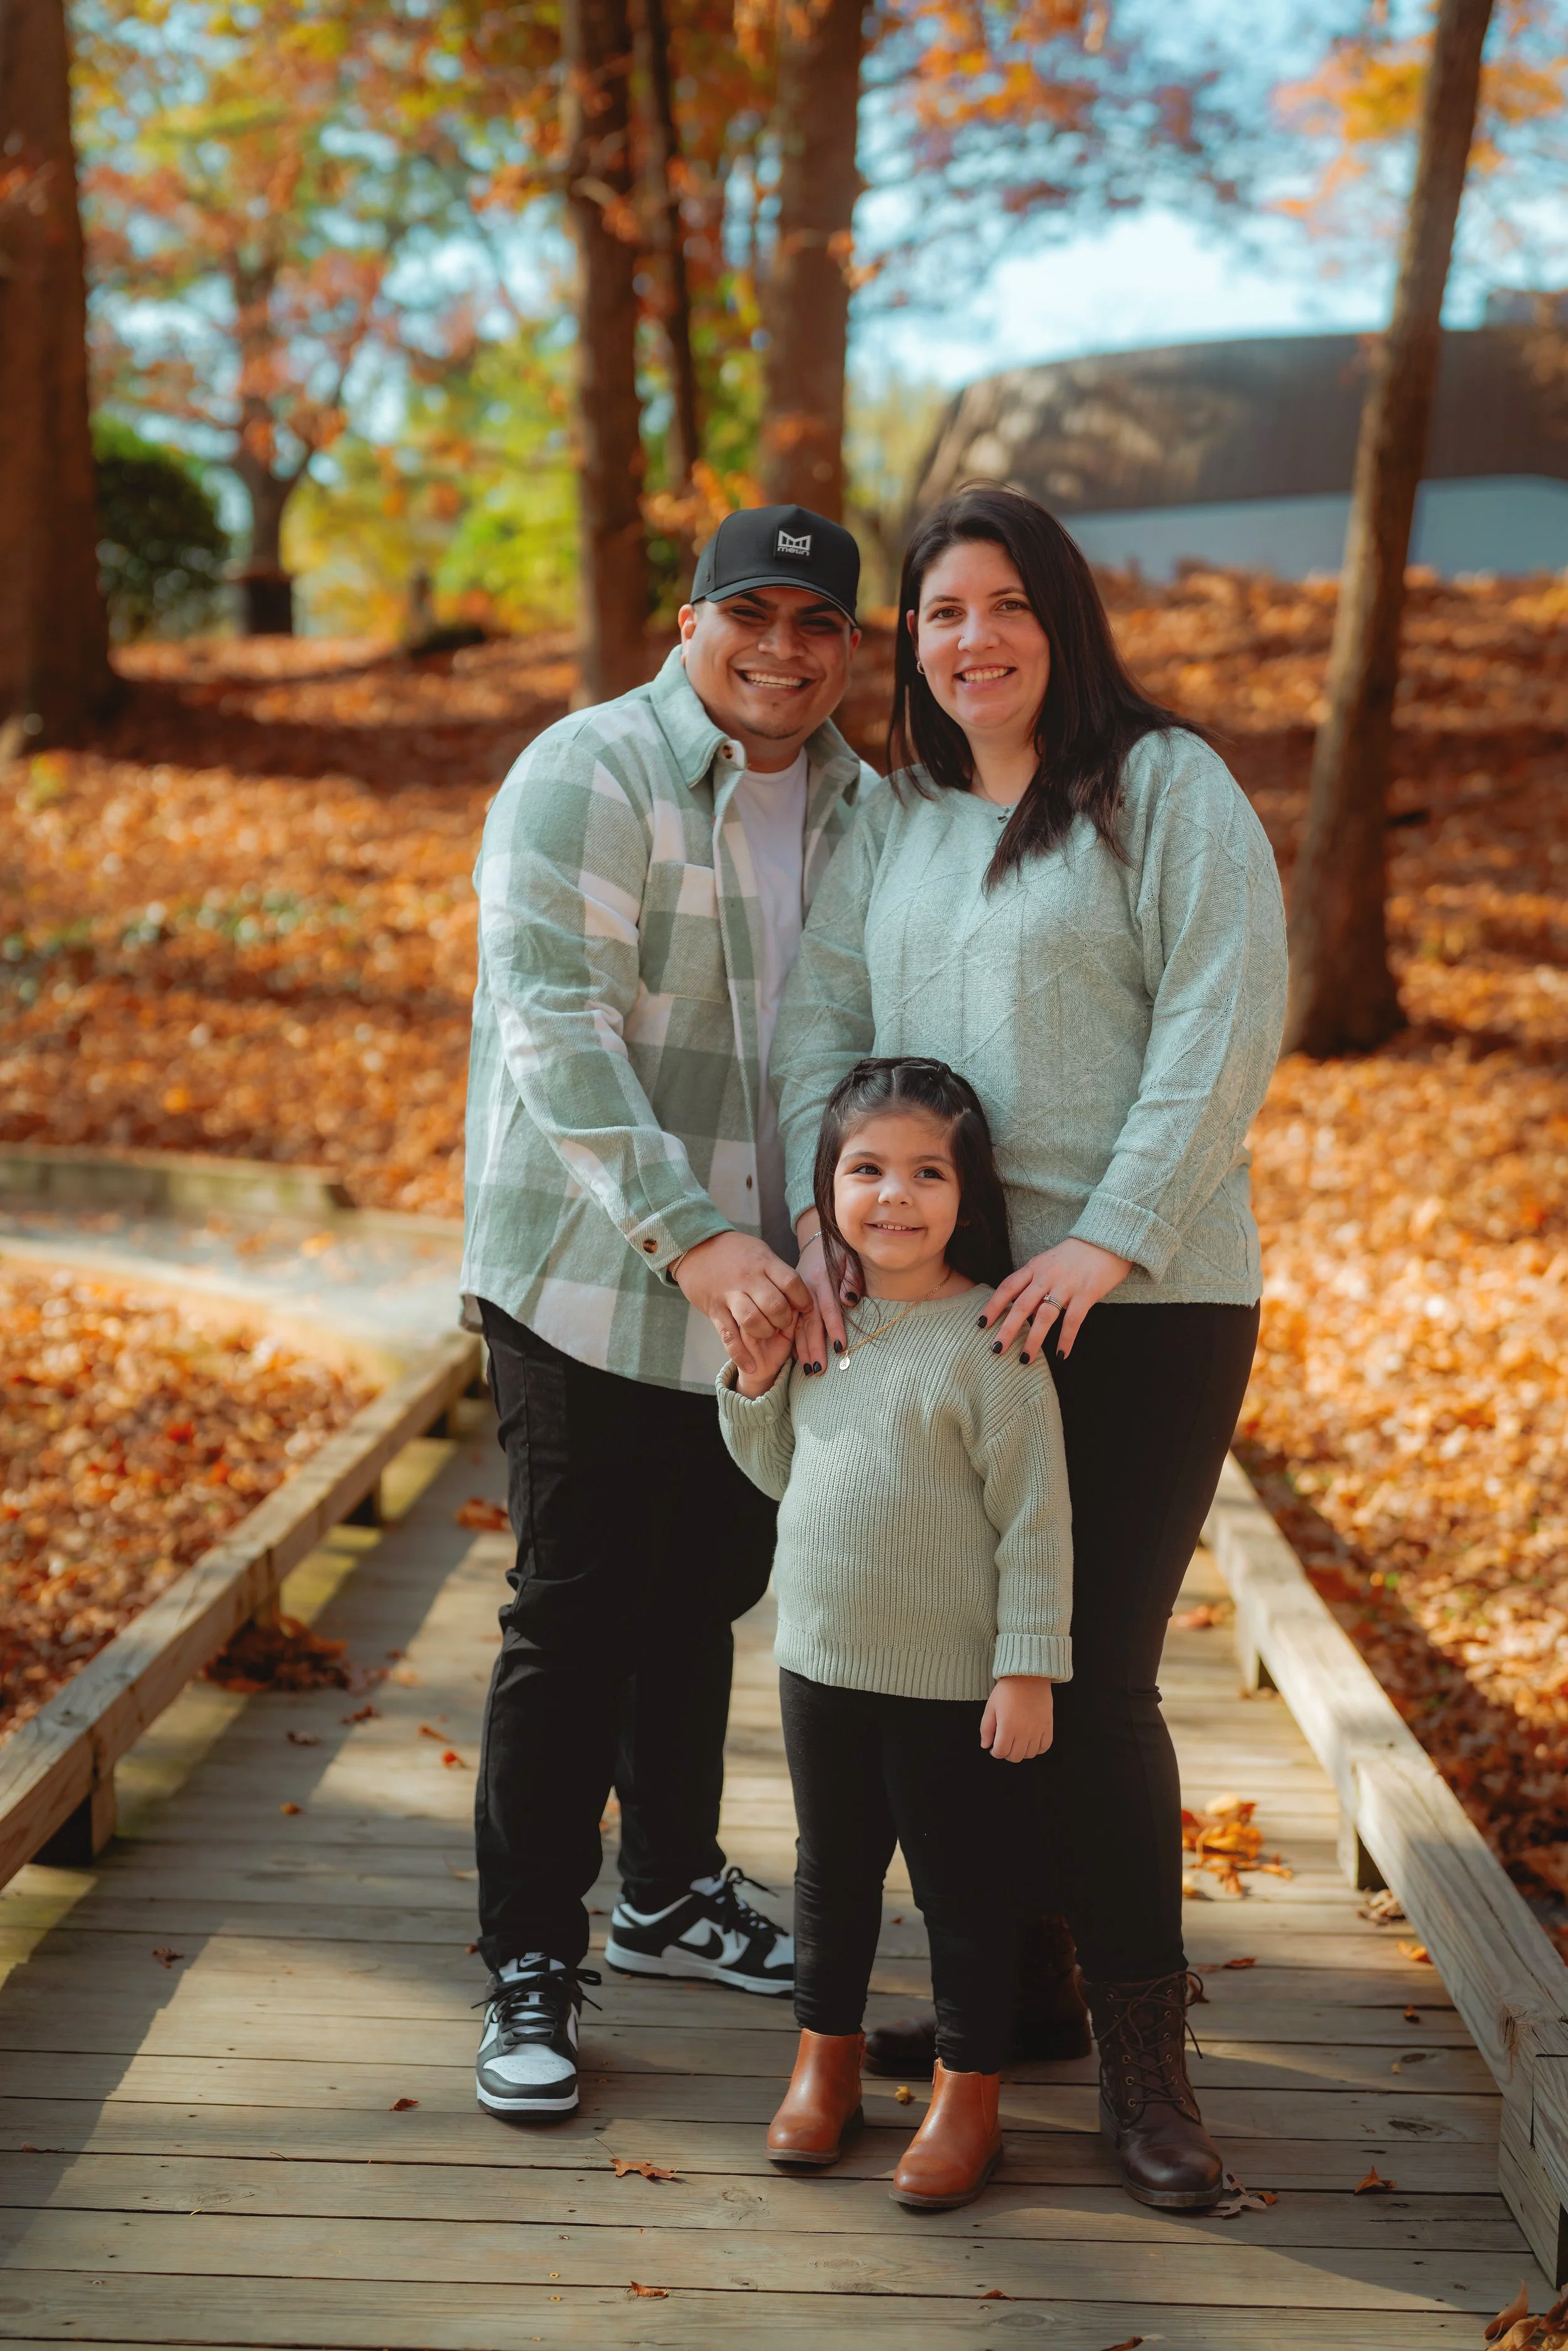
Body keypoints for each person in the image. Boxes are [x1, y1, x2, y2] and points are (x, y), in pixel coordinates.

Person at [773, 483, 1288, 2210]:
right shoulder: (897, 820)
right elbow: (825, 1036)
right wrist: (817, 1219)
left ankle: (1147, 2066)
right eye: (936, 613)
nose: (969, 637)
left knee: (1089, 1674)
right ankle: (1022, 1998)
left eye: (1001, 603)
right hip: (944, 1314)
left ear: (1058, 621)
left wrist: (1107, 1229)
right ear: (908, 644)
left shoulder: (1164, 788)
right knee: (950, 1679)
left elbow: (1221, 1022)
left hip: (1141, 1294)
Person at [461, 503, 878, 2121]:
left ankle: (670, 1887)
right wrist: (692, 1235)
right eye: (750, 613)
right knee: (573, 1609)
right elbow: (551, 1024)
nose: (781, 649)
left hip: (770, 1286)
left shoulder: (861, 799)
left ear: (847, 645)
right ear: (690, 618)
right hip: (591, 1262)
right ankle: (526, 1959)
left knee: (705, 1588)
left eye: (816, 623)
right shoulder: (588, 767)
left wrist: (820, 1246)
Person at [716, 1057, 1072, 2211]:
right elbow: (777, 1472)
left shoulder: (994, 1342)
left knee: (963, 1889)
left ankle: (968, 2097)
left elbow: (1035, 1525)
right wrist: (757, 1380)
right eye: (867, 1171)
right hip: (819, 1659)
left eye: (928, 1172)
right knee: (831, 1878)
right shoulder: (832, 1320)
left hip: (948, 1678)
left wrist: (1026, 1668)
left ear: (969, 1193)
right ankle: (825, 2068)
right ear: (831, 1189)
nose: (896, 1197)